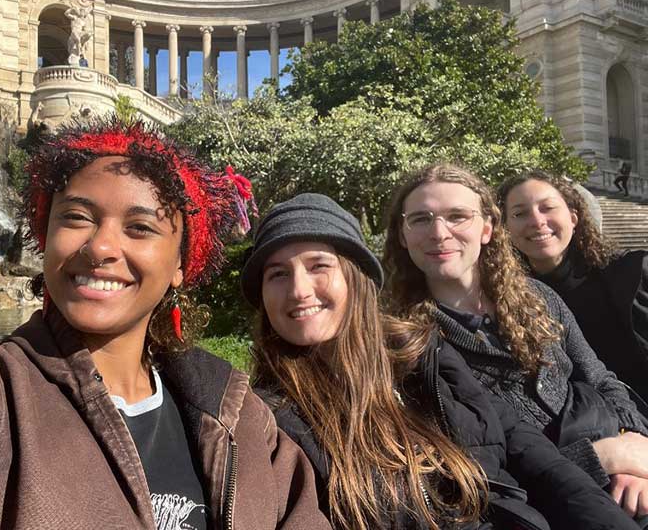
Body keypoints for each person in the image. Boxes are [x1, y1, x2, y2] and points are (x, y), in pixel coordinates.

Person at [0, 120, 330, 530]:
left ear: (181, 264)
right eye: (77, 218)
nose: (100, 248)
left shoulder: (237, 412)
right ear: (46, 235)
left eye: (140, 228)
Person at [240, 192, 640, 530]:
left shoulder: (424, 354)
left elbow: (533, 459)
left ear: (356, 279)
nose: (299, 290)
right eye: (277, 275)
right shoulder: (266, 418)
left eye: (318, 266)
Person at [383, 163, 648, 523]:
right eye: (420, 219)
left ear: (488, 228)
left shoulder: (539, 296)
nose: (439, 232)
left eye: (457, 216)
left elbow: (601, 379)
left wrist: (634, 446)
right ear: (402, 234)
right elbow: (467, 472)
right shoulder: (402, 342)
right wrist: (599, 459)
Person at [498, 170, 648, 410]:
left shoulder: (632, 274)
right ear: (504, 228)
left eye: (547, 208)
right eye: (519, 213)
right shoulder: (506, 299)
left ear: (573, 218)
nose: (536, 221)